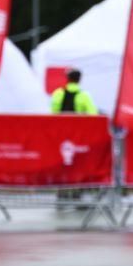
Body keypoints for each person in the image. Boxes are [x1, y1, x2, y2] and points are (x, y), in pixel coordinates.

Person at [50, 68, 98, 205]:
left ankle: (61, 192)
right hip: (78, 137)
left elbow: (53, 113)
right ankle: (77, 191)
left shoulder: (58, 94)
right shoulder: (84, 96)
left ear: (67, 79)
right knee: (79, 163)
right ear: (79, 79)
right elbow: (93, 114)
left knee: (62, 163)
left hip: (61, 136)